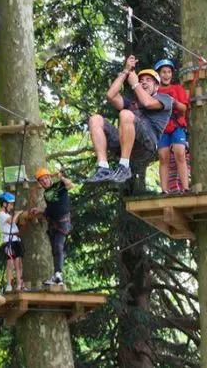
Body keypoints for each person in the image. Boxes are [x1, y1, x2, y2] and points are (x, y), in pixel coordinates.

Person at [85, 55, 173, 184]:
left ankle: (124, 166)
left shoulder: (165, 99)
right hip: (124, 143)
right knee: (95, 119)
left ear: (156, 86)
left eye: (148, 80)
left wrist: (135, 83)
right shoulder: (132, 103)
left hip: (146, 146)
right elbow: (111, 95)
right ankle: (103, 167)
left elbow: (148, 103)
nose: (143, 82)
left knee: (125, 114)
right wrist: (126, 71)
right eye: (141, 79)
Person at [30, 168, 74, 286]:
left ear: (50, 178)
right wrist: (40, 210)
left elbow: (70, 185)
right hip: (53, 223)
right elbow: (52, 208)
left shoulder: (59, 185)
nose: (44, 182)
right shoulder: (45, 193)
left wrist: (61, 178)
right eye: (42, 180)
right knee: (55, 249)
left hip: (62, 221)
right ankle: (56, 276)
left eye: (46, 178)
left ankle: (58, 275)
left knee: (58, 247)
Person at [154, 59, 190, 193]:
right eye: (163, 72)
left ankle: (185, 187)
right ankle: (164, 189)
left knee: (180, 153)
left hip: (176, 126)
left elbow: (184, 109)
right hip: (162, 128)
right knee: (163, 157)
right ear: (158, 74)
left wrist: (173, 102)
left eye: (169, 72)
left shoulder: (177, 89)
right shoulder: (155, 92)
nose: (166, 75)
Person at [0, 192, 26, 292]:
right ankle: (9, 285)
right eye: (11, 204)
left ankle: (19, 284)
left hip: (15, 240)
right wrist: (18, 213)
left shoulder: (7, 214)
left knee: (18, 263)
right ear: (4, 204)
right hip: (8, 241)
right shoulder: (1, 215)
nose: (12, 206)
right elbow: (12, 221)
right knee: (10, 263)